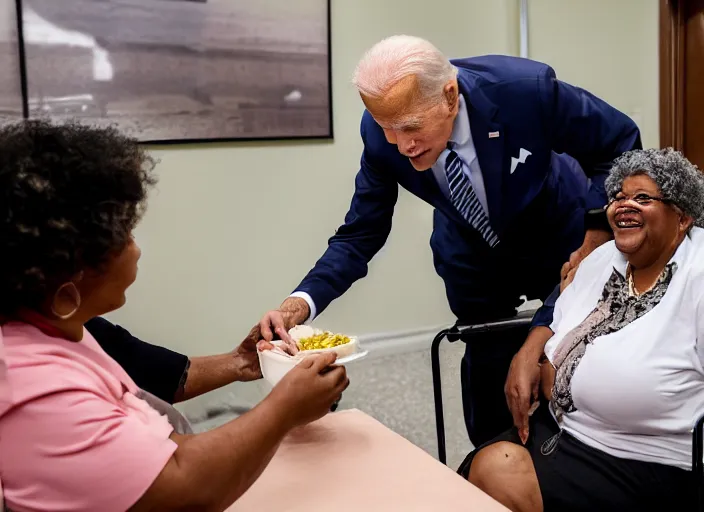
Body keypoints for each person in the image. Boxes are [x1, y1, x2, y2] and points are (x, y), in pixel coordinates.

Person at [247, 35, 642, 446]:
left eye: (411, 127)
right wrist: (300, 302)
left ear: (450, 96)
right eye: (388, 130)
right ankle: (492, 465)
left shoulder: (525, 91)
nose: (402, 145)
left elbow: (619, 143)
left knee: (561, 353)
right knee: (489, 375)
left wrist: (597, 233)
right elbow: (361, 232)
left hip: (559, 229)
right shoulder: (382, 136)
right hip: (471, 252)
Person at [0, 120, 349, 512]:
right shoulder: (39, 390)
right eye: (125, 234)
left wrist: (241, 361)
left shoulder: (54, 329)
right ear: (68, 279)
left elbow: (152, 423)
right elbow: (185, 489)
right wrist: (283, 409)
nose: (136, 249)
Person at [461, 148, 704, 512]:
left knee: (495, 474)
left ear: (682, 217)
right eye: (619, 196)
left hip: (642, 459)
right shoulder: (604, 261)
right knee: (463, 481)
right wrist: (531, 354)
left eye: (643, 198)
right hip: (559, 428)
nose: (624, 205)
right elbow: (556, 327)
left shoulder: (697, 278)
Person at [85, 316, 262, 404]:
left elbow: (151, 371)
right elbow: (179, 467)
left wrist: (243, 361)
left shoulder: (91, 334)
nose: (137, 249)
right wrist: (285, 397)